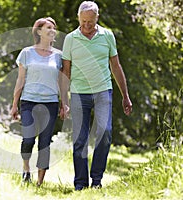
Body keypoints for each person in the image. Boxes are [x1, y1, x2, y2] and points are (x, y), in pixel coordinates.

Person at [60, 1, 133, 190]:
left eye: (90, 22)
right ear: (78, 18)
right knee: (80, 139)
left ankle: (97, 180)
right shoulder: (70, 39)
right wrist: (64, 101)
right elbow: (66, 72)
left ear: (97, 18)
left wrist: (125, 95)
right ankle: (80, 184)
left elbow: (115, 67)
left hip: (102, 91)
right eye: (83, 21)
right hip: (78, 93)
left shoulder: (107, 36)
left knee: (105, 132)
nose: (86, 26)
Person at [10, 17, 64, 186]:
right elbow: (20, 80)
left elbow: (62, 82)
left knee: (45, 142)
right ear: (39, 31)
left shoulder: (59, 56)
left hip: (51, 103)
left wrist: (64, 103)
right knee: (28, 139)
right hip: (29, 101)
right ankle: (26, 170)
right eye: (48, 27)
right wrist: (14, 104)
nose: (52, 30)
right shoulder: (26, 53)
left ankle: (40, 182)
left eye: (54, 28)